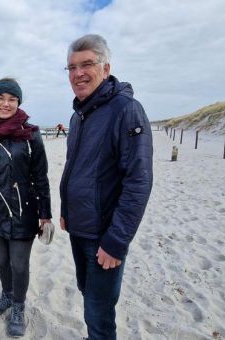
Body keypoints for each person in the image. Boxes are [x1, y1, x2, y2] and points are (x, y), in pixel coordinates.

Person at [59, 34, 153, 339]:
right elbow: (76, 169)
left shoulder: (126, 109)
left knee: (99, 312)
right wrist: (66, 211)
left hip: (104, 235)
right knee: (88, 295)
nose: (78, 73)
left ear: (106, 67)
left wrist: (116, 241)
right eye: (72, 67)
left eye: (87, 64)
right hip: (79, 228)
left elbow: (138, 181)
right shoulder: (79, 115)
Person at [0, 78, 52, 337]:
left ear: (18, 103)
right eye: (1, 98)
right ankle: (6, 295)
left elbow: (41, 176)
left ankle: (18, 306)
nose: (6, 103)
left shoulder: (31, 134)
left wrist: (45, 214)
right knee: (1, 259)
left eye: (12, 99)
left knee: (19, 263)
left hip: (24, 211)